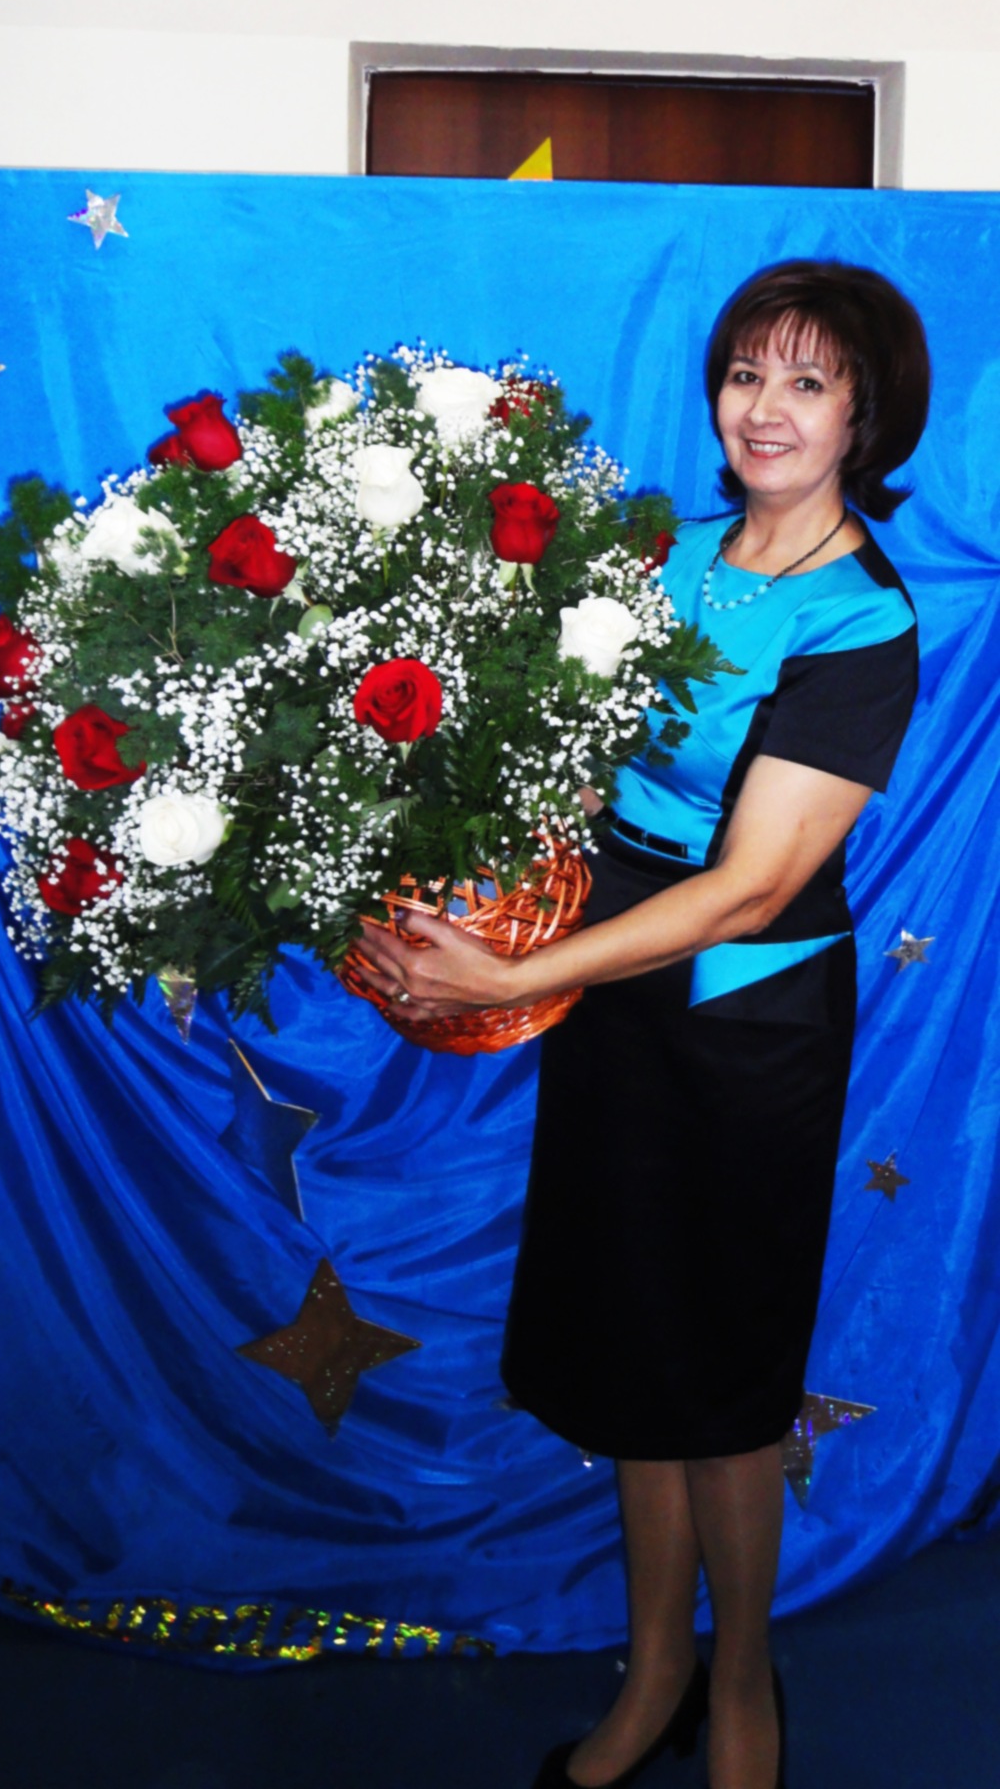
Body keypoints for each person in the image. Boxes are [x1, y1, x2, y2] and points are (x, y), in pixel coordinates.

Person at [356, 260, 930, 1789]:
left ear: (866, 415)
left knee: (723, 1378)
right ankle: (657, 1664)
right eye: (747, 373)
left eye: (807, 382)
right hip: (610, 993)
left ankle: (741, 1685)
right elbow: (558, 753)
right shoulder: (658, 551)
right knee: (632, 1348)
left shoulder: (862, 620)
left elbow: (753, 888)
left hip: (746, 1025)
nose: (766, 408)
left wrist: (509, 980)